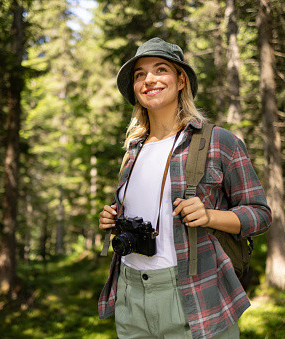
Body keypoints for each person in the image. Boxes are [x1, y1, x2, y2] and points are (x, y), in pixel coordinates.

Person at [98, 37, 272, 339]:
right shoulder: (133, 151)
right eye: (140, 74)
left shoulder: (218, 142)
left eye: (160, 70)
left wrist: (209, 216)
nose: (149, 79)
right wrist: (113, 220)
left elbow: (260, 214)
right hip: (130, 294)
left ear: (180, 81)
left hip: (195, 295)